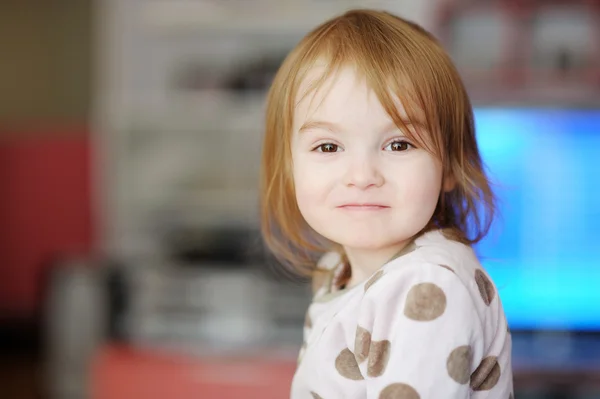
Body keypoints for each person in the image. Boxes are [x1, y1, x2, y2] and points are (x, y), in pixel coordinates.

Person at [259, 8, 513, 398]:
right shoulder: (339, 268)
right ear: (289, 167)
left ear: (449, 165)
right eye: (328, 146)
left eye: (399, 144)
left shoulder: (427, 286)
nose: (362, 176)